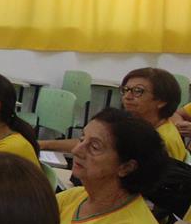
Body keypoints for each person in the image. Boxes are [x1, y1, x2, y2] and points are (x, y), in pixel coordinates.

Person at [42, 67, 186, 161]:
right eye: (126, 90)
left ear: (161, 101)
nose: (128, 97)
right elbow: (90, 143)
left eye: (138, 91)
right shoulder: (140, 126)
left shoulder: (161, 140)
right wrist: (44, 144)